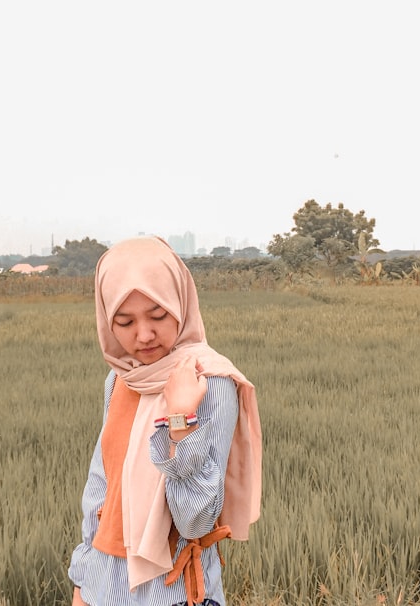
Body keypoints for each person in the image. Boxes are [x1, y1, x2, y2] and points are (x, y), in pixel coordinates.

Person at [68, 236, 262, 606]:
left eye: (158, 315)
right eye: (124, 321)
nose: (143, 335)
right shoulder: (121, 379)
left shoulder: (210, 383)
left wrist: (180, 419)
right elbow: (101, 488)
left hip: (172, 591)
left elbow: (195, 522)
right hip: (105, 586)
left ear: (181, 303)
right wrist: (82, 581)